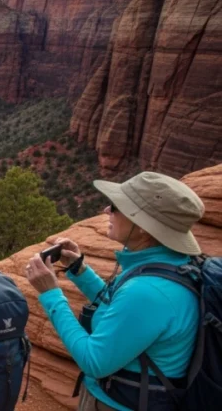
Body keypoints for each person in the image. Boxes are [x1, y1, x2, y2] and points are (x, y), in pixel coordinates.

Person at [25, 172, 203, 411]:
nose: (107, 210)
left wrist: (51, 295)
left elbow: (94, 361)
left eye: (118, 206)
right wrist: (79, 270)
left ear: (143, 228)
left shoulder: (148, 291)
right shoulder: (168, 263)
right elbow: (118, 306)